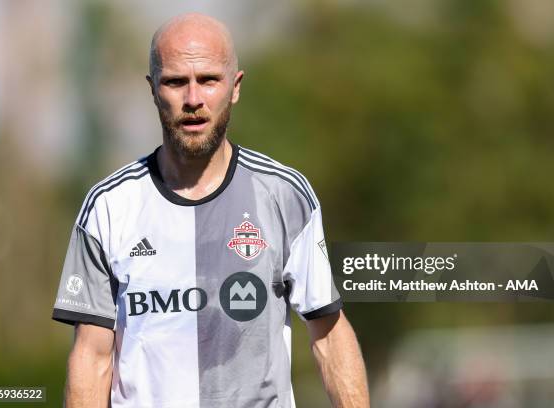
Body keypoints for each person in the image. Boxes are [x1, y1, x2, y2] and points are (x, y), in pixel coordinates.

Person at [52, 13, 369, 408]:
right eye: (175, 81)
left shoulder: (284, 195)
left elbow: (329, 336)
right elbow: (92, 357)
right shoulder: (109, 206)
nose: (193, 100)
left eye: (208, 80)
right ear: (153, 89)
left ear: (234, 87)